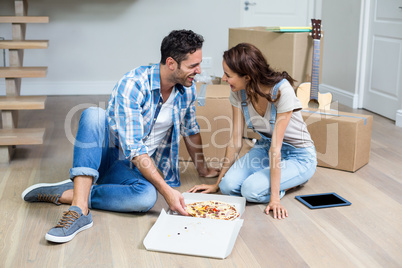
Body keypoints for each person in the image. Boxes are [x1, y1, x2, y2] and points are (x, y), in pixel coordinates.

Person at [22, 29, 219, 243]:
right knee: (94, 115)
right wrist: (167, 191)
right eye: (193, 66)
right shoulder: (134, 84)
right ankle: (80, 210)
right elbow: (134, 148)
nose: (199, 70)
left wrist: (203, 168)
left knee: (145, 198)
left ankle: (71, 192)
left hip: (133, 168)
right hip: (108, 157)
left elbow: (190, 129)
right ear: (171, 63)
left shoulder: (187, 89)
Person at [188, 43, 317, 219]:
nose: (224, 79)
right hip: (265, 149)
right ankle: (275, 180)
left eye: (228, 75)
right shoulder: (238, 92)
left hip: (298, 156)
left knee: (250, 190)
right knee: (228, 187)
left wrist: (274, 199)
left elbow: (276, 149)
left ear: (247, 76)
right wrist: (217, 185)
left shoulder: (282, 91)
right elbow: (235, 141)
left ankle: (289, 183)